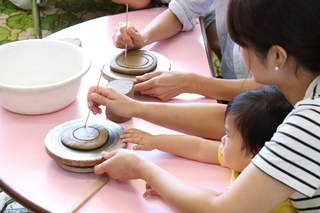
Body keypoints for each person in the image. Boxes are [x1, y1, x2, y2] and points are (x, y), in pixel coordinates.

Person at [89, 0, 320, 212]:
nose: (237, 51)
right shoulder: (301, 84)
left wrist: (141, 167)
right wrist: (132, 108)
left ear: (277, 56)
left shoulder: (310, 124)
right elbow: (235, 121)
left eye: (242, 44)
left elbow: (222, 209)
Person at [119, 85, 296, 212]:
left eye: (228, 135)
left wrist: (166, 187)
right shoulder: (247, 160)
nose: (222, 139)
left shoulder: (265, 197)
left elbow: (213, 205)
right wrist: (156, 141)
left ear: (256, 154)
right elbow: (199, 148)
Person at [113, 0, 260, 102]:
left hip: (268, 111)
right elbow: (185, 8)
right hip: (231, 86)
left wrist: (190, 83)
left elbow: (275, 89)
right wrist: (142, 38)